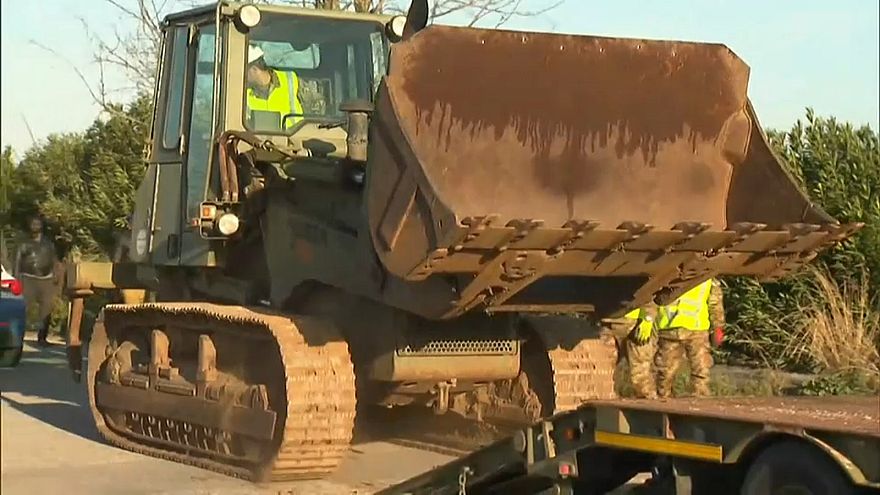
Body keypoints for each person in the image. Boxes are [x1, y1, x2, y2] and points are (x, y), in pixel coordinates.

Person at [654, 278, 725, 397]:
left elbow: (715, 304)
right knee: (664, 373)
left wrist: (718, 327)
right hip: (671, 329)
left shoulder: (707, 277)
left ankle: (701, 402)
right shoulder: (667, 273)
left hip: (696, 330)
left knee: (701, 371)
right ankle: (664, 403)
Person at [13, 216, 59, 347]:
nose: (35, 226)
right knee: (22, 309)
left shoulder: (48, 244)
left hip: (46, 280)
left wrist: (55, 275)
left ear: (41, 226)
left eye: (37, 224)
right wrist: (16, 280)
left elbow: (54, 260)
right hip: (27, 279)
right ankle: (17, 336)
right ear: (29, 226)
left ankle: (42, 338)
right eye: (32, 224)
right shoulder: (23, 244)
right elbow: (17, 262)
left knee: (46, 309)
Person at [604, 304, 660, 399]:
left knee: (642, 376)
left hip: (635, 324)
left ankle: (648, 407)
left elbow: (649, 294)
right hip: (607, 322)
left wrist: (648, 318)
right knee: (603, 373)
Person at [245, 45, 304, 129]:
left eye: (244, 70)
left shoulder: (290, 79)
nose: (242, 75)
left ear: (254, 69)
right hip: (259, 141)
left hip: (294, 138)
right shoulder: (243, 93)